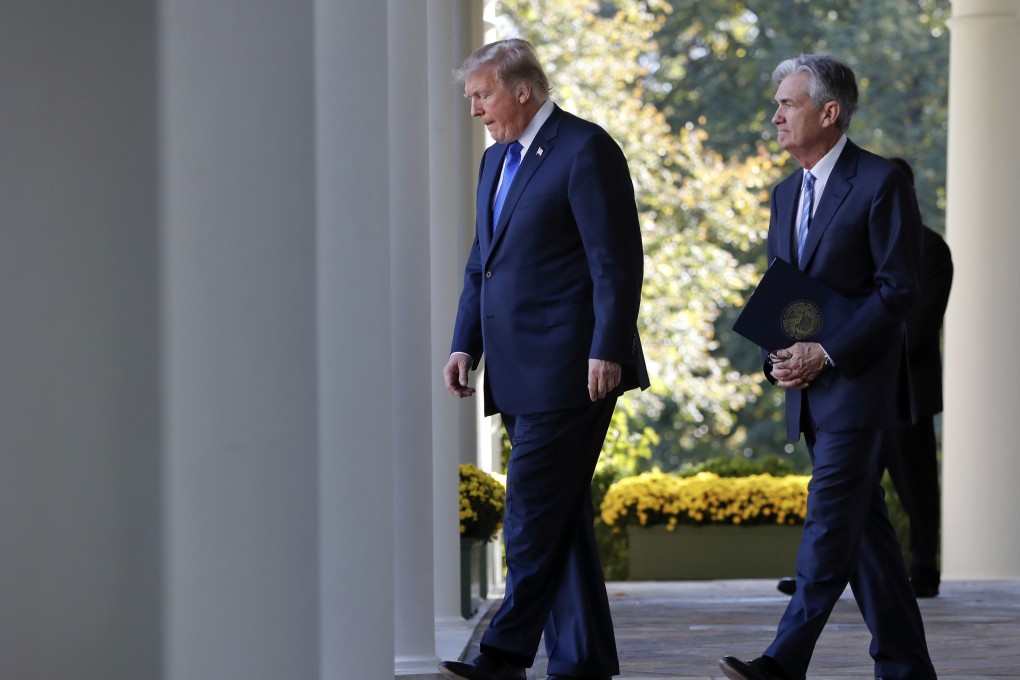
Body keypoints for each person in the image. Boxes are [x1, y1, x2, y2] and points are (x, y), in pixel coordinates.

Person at [719, 55, 937, 680]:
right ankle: (906, 666)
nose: (776, 115)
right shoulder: (786, 192)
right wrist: (778, 359)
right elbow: (784, 290)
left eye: (788, 103)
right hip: (809, 391)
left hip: (859, 390)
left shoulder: (878, 182)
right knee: (866, 541)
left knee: (826, 526)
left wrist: (828, 350)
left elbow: (899, 290)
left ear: (829, 111)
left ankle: (782, 664)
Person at [438, 39, 648, 680]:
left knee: (530, 510)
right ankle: (582, 658)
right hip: (516, 366)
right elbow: (484, 260)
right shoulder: (495, 160)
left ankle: (503, 655)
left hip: (573, 368)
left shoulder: (586, 149)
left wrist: (607, 347)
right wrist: (463, 341)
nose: (475, 110)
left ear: (522, 90)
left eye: (482, 95)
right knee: (558, 511)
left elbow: (616, 261)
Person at [774, 157, 954, 601]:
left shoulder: (930, 249)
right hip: (853, 385)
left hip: (905, 389)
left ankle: (925, 569)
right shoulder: (855, 240)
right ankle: (825, 573)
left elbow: (918, 320)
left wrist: (844, 342)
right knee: (853, 497)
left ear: (904, 196)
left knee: (914, 486)